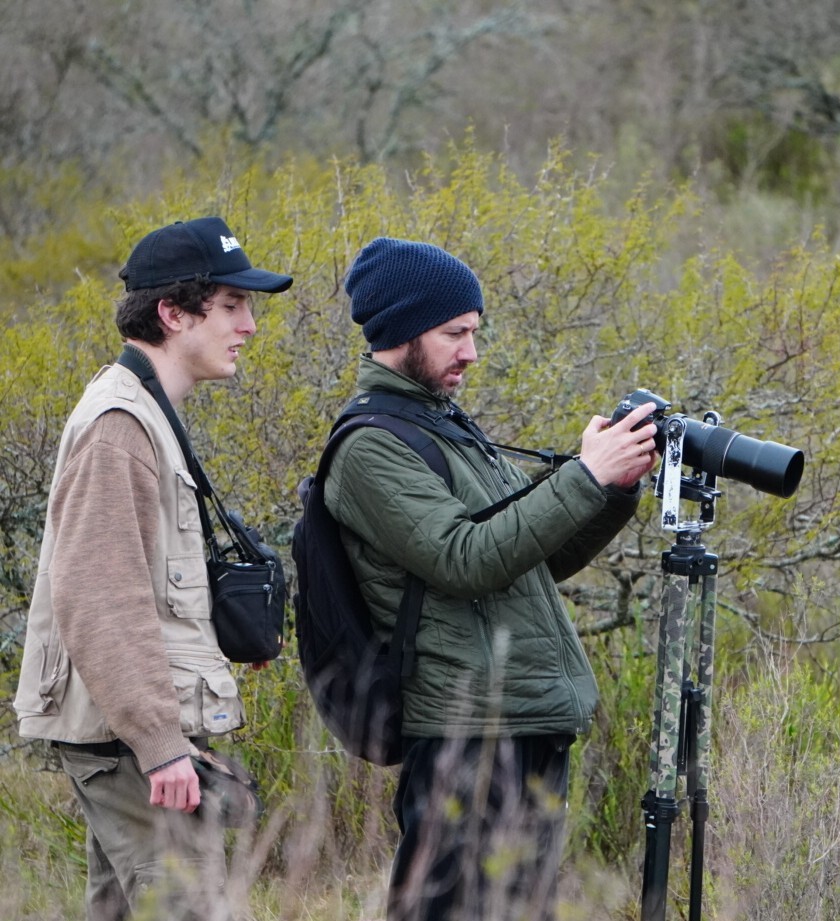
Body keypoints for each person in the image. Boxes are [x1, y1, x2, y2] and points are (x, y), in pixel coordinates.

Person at [326, 237, 659, 921]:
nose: (471, 352)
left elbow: (530, 556)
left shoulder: (445, 429)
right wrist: (582, 475)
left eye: (473, 332)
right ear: (401, 331)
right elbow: (466, 557)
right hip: (465, 734)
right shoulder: (370, 447)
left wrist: (612, 488)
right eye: (455, 333)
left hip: (523, 721)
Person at [14, 216, 293, 921]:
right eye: (231, 305)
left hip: (124, 733)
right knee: (189, 906)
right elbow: (98, 597)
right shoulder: (120, 425)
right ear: (173, 313)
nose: (249, 325)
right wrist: (162, 744)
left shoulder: (144, 410)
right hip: (127, 739)